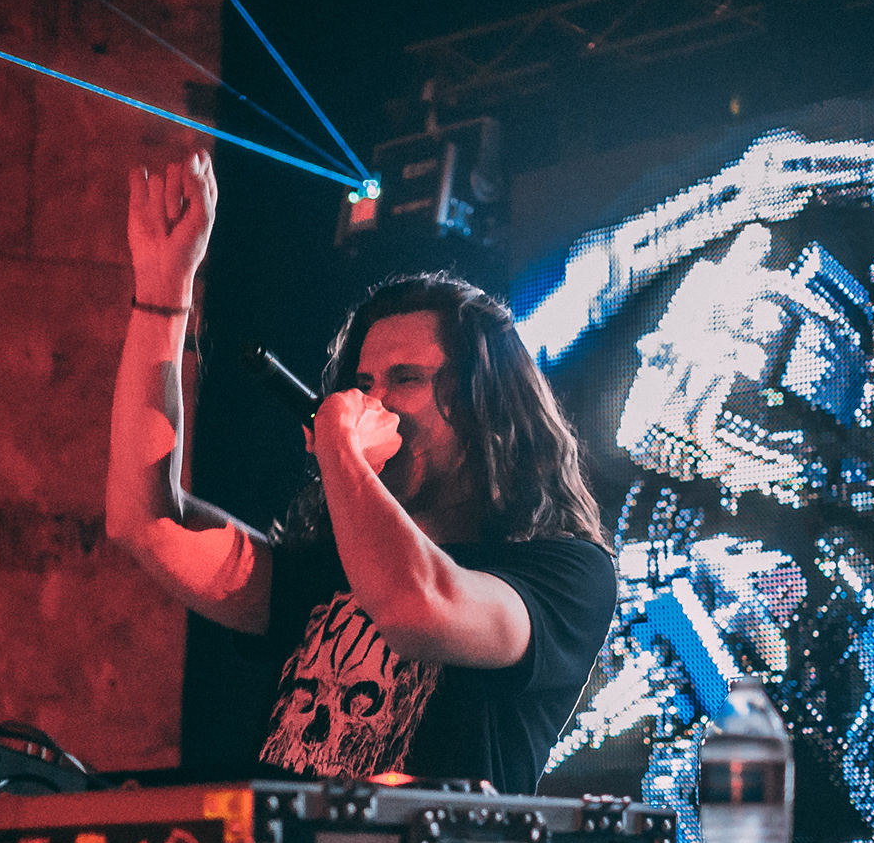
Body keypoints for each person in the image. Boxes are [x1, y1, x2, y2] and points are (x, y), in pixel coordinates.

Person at [105, 151, 617, 794]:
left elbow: (415, 605)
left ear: (486, 407)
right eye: (364, 382)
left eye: (406, 379)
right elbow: (145, 520)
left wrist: (340, 449)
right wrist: (163, 295)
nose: (373, 402)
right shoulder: (326, 570)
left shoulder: (563, 574)